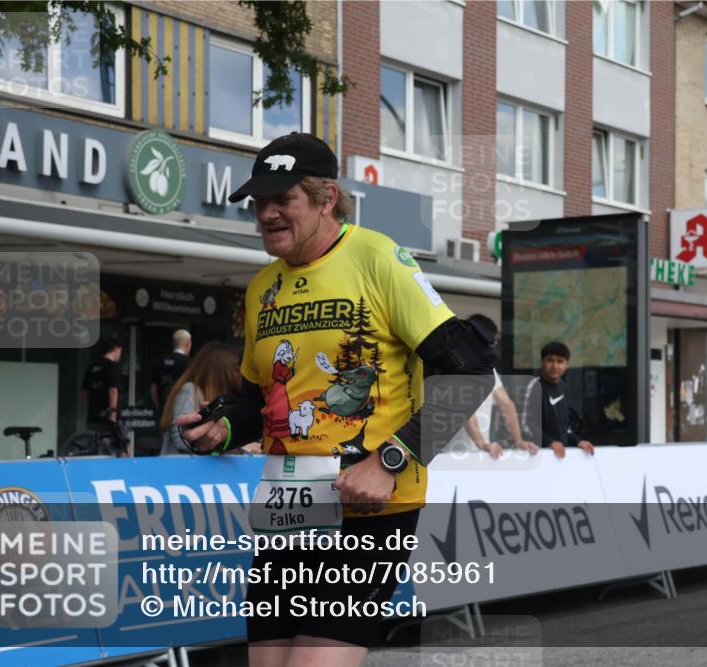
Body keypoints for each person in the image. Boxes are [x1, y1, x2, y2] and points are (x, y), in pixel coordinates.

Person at [175, 132, 494, 666]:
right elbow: (259, 403)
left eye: (283, 199)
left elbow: (471, 373)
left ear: (326, 198)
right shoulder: (261, 288)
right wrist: (222, 428)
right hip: (287, 511)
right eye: (259, 202)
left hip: (368, 510)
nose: (267, 214)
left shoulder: (378, 257)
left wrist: (390, 461)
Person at [459, 314, 539, 458]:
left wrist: (518, 441)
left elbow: (507, 405)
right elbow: (465, 410)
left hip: (482, 453)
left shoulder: (487, 369)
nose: (493, 345)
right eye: (490, 341)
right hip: (452, 454)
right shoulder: (455, 368)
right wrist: (482, 444)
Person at [160, 341, 241, 455]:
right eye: (236, 370)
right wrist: (235, 446)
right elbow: (180, 439)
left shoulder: (228, 397)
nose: (240, 374)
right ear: (223, 372)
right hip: (184, 465)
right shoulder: (190, 390)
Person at [520, 341, 596, 459]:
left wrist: (578, 441)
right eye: (550, 360)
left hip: (560, 457)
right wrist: (549, 442)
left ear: (567, 365)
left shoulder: (563, 387)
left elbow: (565, 427)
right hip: (538, 457)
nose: (555, 366)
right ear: (542, 362)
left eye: (560, 361)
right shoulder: (533, 386)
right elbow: (525, 425)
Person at [81, 336, 122, 427]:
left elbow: (84, 393)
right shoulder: (112, 366)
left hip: (92, 417)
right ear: (115, 348)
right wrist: (113, 416)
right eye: (120, 351)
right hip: (107, 417)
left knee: (94, 435)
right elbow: (113, 391)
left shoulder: (91, 367)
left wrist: (90, 410)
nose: (120, 355)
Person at [150, 329, 192, 411]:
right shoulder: (190, 363)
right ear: (188, 344)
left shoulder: (160, 361)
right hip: (183, 410)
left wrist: (160, 409)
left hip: (164, 409)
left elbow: (153, 389)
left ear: (173, 343)